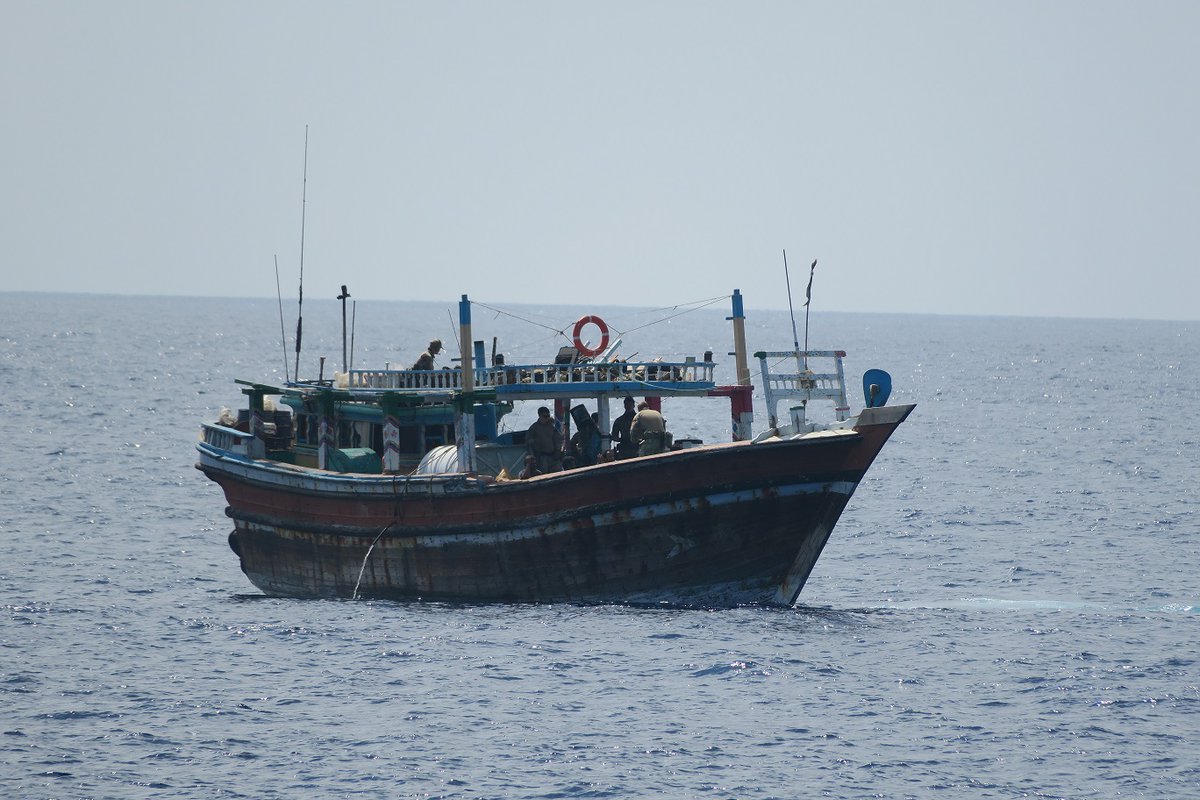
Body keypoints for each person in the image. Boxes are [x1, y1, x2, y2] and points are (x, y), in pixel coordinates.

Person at [526, 406, 562, 473]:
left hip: (553, 456)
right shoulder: (534, 427)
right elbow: (528, 440)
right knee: (544, 474)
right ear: (539, 416)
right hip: (542, 457)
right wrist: (533, 441)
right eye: (545, 416)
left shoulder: (552, 426)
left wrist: (558, 450)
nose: (547, 418)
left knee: (558, 472)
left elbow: (558, 438)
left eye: (548, 416)